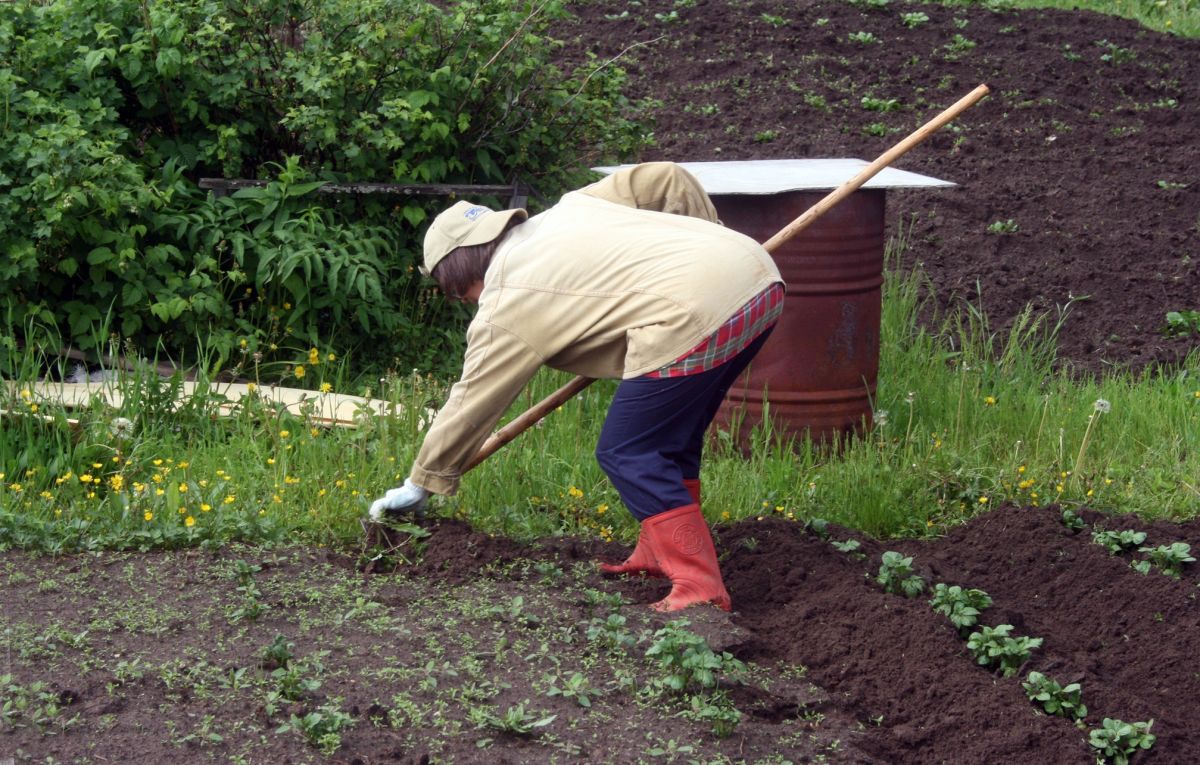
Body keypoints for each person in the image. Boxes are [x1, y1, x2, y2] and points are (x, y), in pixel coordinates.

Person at [369, 162, 784, 612]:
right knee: (670, 441)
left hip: (693, 317)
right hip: (759, 282)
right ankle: (657, 551)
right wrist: (705, 252)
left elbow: (470, 403)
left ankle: (700, 586)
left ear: (458, 275)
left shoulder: (506, 299)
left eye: (455, 294)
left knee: (628, 452)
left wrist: (422, 482)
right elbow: (664, 178)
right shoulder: (571, 208)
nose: (465, 303)